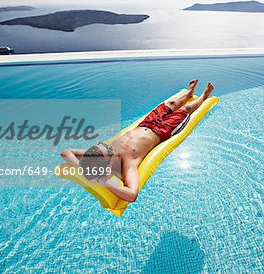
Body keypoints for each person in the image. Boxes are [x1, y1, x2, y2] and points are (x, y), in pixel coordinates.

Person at [60, 79, 214, 202]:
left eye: (104, 146)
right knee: (183, 111)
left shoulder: (99, 154)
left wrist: (81, 167)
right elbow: (131, 195)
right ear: (107, 164)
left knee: (171, 104)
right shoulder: (128, 164)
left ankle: (188, 93)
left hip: (145, 123)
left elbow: (66, 152)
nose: (109, 147)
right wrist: (102, 181)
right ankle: (203, 97)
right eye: (109, 151)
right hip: (162, 130)